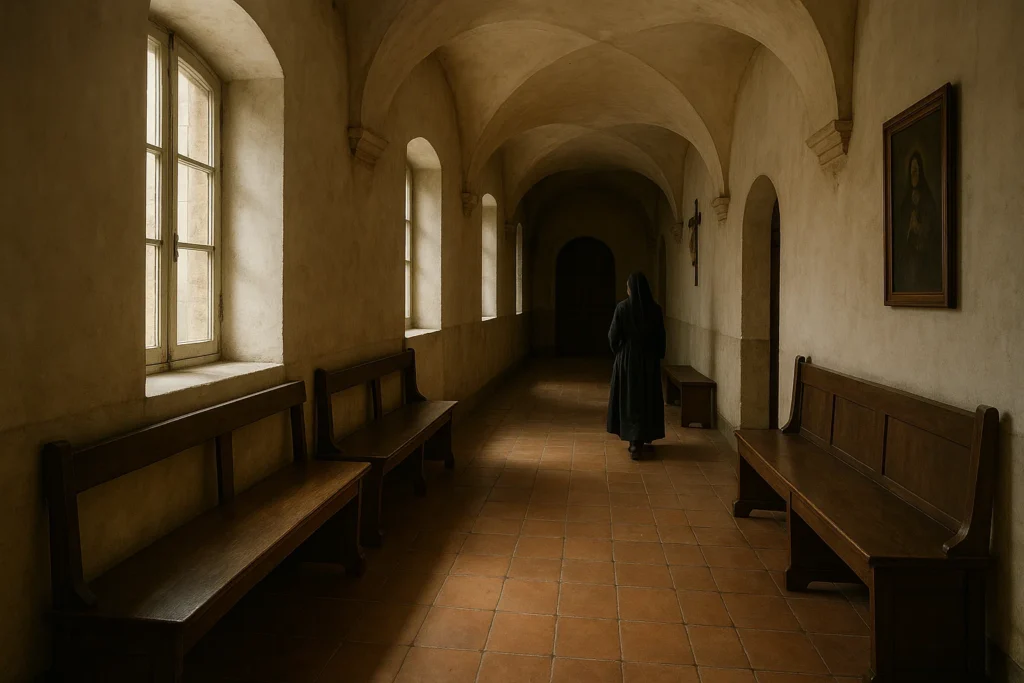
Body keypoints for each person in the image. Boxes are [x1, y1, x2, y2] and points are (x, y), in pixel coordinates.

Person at [607, 272, 666, 460]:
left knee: (630, 398)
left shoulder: (622, 308)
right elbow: (660, 337)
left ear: (631, 289)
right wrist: (657, 355)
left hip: (628, 360)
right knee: (646, 397)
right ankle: (644, 435)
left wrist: (620, 353)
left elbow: (613, 336)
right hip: (648, 360)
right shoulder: (655, 310)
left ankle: (634, 441)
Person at [894, 151, 942, 293]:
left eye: (918, 170)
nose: (916, 174)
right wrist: (909, 227)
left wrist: (919, 227)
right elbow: (900, 232)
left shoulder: (928, 199)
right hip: (909, 257)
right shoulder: (905, 202)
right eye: (913, 171)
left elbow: (932, 228)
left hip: (925, 257)